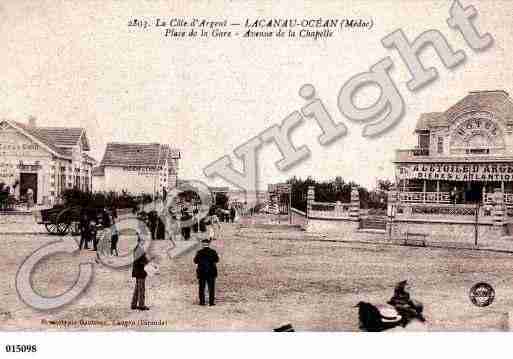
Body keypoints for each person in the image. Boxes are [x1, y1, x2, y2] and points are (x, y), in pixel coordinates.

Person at [193, 239, 219, 306]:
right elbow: (217, 260)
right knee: (211, 288)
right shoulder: (213, 251)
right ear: (209, 244)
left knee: (201, 288)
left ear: (202, 244)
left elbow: (195, 261)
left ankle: (202, 302)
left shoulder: (199, 252)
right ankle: (211, 302)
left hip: (202, 273)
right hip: (211, 272)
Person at [131, 232, 150, 310]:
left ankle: (134, 304)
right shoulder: (140, 249)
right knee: (141, 288)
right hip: (140, 271)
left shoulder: (137, 248)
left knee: (137, 288)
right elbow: (140, 261)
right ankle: (141, 305)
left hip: (137, 270)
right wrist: (147, 262)